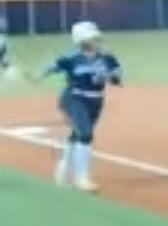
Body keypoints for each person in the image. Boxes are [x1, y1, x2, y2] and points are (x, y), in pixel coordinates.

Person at [34, 21, 123, 194]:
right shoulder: (71, 58)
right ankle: (82, 178)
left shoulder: (107, 57)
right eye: (92, 38)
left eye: (96, 38)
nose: (97, 41)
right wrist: (37, 76)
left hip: (95, 101)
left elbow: (117, 77)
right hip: (73, 99)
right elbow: (52, 67)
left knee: (78, 135)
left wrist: (109, 76)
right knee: (85, 134)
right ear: (82, 41)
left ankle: (64, 167)